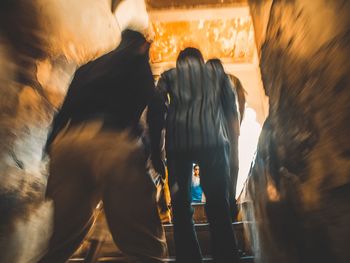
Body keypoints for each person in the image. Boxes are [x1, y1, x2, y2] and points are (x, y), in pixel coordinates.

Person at [39, 8, 167, 263]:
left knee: (61, 244)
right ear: (143, 44)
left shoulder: (90, 66)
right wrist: (156, 156)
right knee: (145, 248)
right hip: (112, 143)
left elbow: (63, 112)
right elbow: (155, 108)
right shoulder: (137, 58)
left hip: (68, 146)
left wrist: (49, 151)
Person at [148, 48, 240, 263]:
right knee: (218, 205)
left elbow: (155, 109)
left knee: (180, 208)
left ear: (180, 62)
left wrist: (155, 151)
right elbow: (231, 111)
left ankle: (189, 258)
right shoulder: (217, 74)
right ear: (201, 60)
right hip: (214, 144)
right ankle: (227, 257)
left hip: (178, 146)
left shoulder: (168, 75)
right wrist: (232, 148)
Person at [207, 59, 242, 220]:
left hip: (214, 136)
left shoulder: (207, 88)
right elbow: (236, 110)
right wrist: (236, 129)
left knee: (216, 172)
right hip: (229, 133)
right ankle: (230, 206)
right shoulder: (228, 84)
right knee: (232, 168)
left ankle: (219, 208)